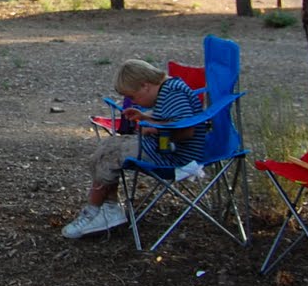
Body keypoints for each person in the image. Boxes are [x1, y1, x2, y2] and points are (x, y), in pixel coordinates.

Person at [62, 58, 209, 239]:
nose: (132, 101)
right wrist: (146, 117)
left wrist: (153, 128)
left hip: (175, 156)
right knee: (107, 147)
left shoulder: (173, 91)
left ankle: (93, 211)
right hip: (163, 149)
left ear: (145, 85)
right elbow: (172, 119)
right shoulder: (168, 88)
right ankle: (109, 209)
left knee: (110, 155)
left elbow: (186, 130)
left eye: (133, 96)